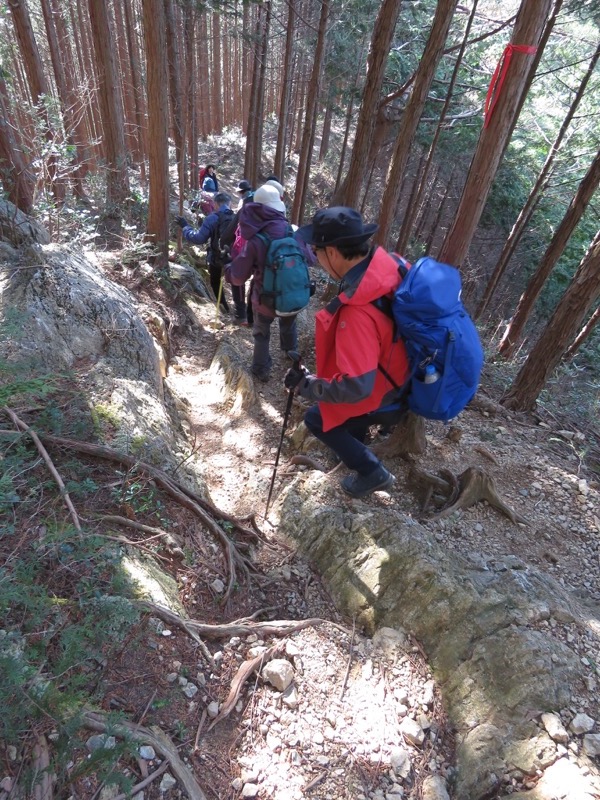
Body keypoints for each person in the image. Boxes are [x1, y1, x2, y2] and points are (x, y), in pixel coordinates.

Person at [285, 206, 409, 499]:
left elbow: (357, 387)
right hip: (404, 373)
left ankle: (372, 472)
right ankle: (355, 442)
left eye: (317, 251)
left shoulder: (357, 311)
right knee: (338, 411)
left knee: (316, 419)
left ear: (335, 252)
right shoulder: (389, 266)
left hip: (388, 392)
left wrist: (308, 386)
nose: (315, 257)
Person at [224, 184, 314, 382]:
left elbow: (238, 276)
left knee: (261, 333)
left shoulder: (257, 239)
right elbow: (310, 260)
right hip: (292, 296)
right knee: (289, 322)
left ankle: (261, 369)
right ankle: (291, 355)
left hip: (265, 300)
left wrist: (228, 271)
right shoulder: (293, 232)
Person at [176, 192, 234, 313]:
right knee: (237, 281)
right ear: (230, 204)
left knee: (215, 281)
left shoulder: (212, 218)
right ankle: (241, 311)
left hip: (216, 257)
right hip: (236, 256)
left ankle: (223, 306)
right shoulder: (237, 218)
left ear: (216, 205)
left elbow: (198, 239)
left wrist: (185, 227)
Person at [220, 180, 255, 325]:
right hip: (264, 250)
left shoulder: (245, 206)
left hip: (243, 249)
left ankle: (241, 315)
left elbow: (233, 228)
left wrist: (223, 242)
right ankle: (253, 317)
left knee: (237, 279)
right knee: (257, 281)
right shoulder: (268, 208)